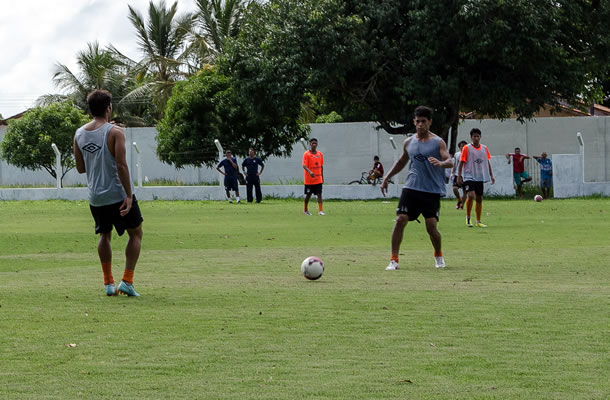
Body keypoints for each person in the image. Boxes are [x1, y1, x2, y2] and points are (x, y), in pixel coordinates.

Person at [73, 89, 143, 297]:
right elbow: (121, 165)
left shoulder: (79, 134)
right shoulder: (115, 132)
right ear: (108, 108)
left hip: (96, 196)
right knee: (136, 233)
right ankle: (127, 281)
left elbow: (80, 168)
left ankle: (108, 283)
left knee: (104, 234)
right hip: (117, 194)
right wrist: (129, 196)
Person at [380, 106, 453, 270]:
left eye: (423, 121)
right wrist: (387, 177)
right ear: (414, 122)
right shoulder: (409, 142)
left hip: (431, 190)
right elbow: (401, 162)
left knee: (431, 226)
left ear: (430, 122)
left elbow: (450, 160)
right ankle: (394, 260)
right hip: (411, 188)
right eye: (417, 121)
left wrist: (442, 163)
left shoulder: (437, 142)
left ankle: (438, 255)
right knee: (400, 220)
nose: (420, 125)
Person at [457, 128, 495, 227]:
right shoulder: (466, 148)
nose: (476, 138)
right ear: (471, 137)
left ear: (480, 137)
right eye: (474, 136)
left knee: (479, 198)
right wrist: (459, 176)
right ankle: (468, 219)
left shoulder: (484, 148)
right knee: (470, 195)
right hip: (468, 176)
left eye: (478, 136)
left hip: (479, 176)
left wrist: (491, 175)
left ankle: (478, 221)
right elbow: (461, 162)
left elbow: (487, 162)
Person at [302, 137, 324, 215]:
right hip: (309, 180)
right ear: (310, 144)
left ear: (317, 144)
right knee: (308, 195)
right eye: (312, 143)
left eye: (315, 143)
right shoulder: (306, 154)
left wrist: (322, 177)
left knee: (319, 195)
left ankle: (320, 211)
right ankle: (305, 210)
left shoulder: (320, 154)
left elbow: (321, 166)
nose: (314, 144)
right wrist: (310, 172)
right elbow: (304, 165)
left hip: (318, 179)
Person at [450, 140, 468, 209]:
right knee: (454, 188)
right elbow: (455, 164)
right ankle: (459, 199)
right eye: (461, 146)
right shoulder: (456, 154)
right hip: (457, 174)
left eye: (464, 146)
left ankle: (462, 205)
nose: (463, 147)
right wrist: (452, 173)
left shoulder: (469, 154)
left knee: (465, 191)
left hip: (466, 175)